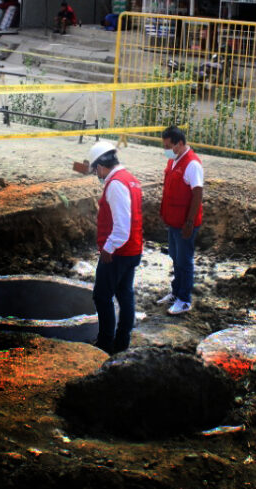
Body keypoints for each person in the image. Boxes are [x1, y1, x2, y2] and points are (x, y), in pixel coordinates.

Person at [74, 141, 142, 355]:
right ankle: (122, 343)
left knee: (102, 297)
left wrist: (108, 248)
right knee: (125, 294)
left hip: (118, 252)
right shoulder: (130, 179)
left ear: (101, 166)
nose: (97, 174)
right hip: (132, 249)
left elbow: (122, 226)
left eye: (96, 170)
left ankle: (105, 344)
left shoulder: (115, 184)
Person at [157, 126, 204, 315]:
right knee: (175, 258)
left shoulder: (192, 164)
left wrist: (189, 222)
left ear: (180, 143)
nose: (166, 150)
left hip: (185, 224)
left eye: (169, 146)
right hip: (174, 221)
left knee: (184, 261)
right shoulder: (174, 160)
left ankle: (184, 300)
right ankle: (176, 292)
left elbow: (197, 194)